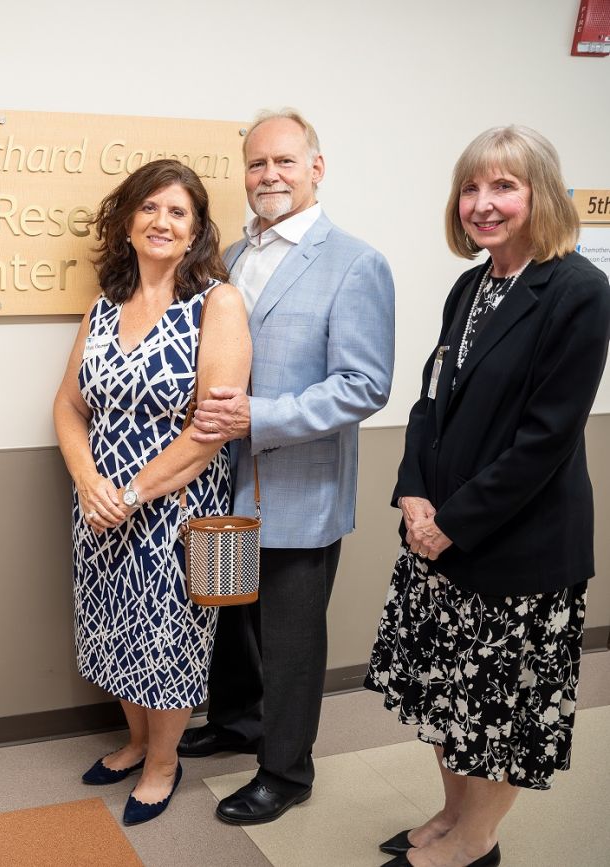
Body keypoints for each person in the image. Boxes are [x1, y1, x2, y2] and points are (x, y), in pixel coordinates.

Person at [366, 126, 609, 867]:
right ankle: (450, 813)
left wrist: (454, 523)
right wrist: (413, 495)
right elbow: (427, 404)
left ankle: (474, 841)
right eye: (472, 187)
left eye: (503, 186)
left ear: (539, 193)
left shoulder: (577, 291)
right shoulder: (470, 286)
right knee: (448, 694)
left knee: (499, 711)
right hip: (436, 535)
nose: (483, 203)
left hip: (518, 549)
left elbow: (545, 438)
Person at [182, 108, 396, 824]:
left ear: (316, 168)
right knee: (233, 616)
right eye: (255, 164)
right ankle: (238, 722)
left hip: (300, 486)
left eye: (283, 162)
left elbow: (364, 384)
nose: (268, 175)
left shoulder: (355, 262)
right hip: (228, 480)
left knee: (290, 637)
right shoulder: (235, 257)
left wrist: (260, 417)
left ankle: (286, 769)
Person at [53, 159, 251, 826]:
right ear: (128, 220)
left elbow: (211, 431)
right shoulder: (104, 304)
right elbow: (67, 406)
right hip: (100, 504)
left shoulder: (217, 303)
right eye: (150, 208)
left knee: (169, 637)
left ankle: (164, 761)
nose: (161, 221)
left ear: (196, 231)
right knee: (114, 627)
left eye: (178, 212)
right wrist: (88, 481)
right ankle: (135, 741)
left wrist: (130, 492)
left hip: (179, 507)